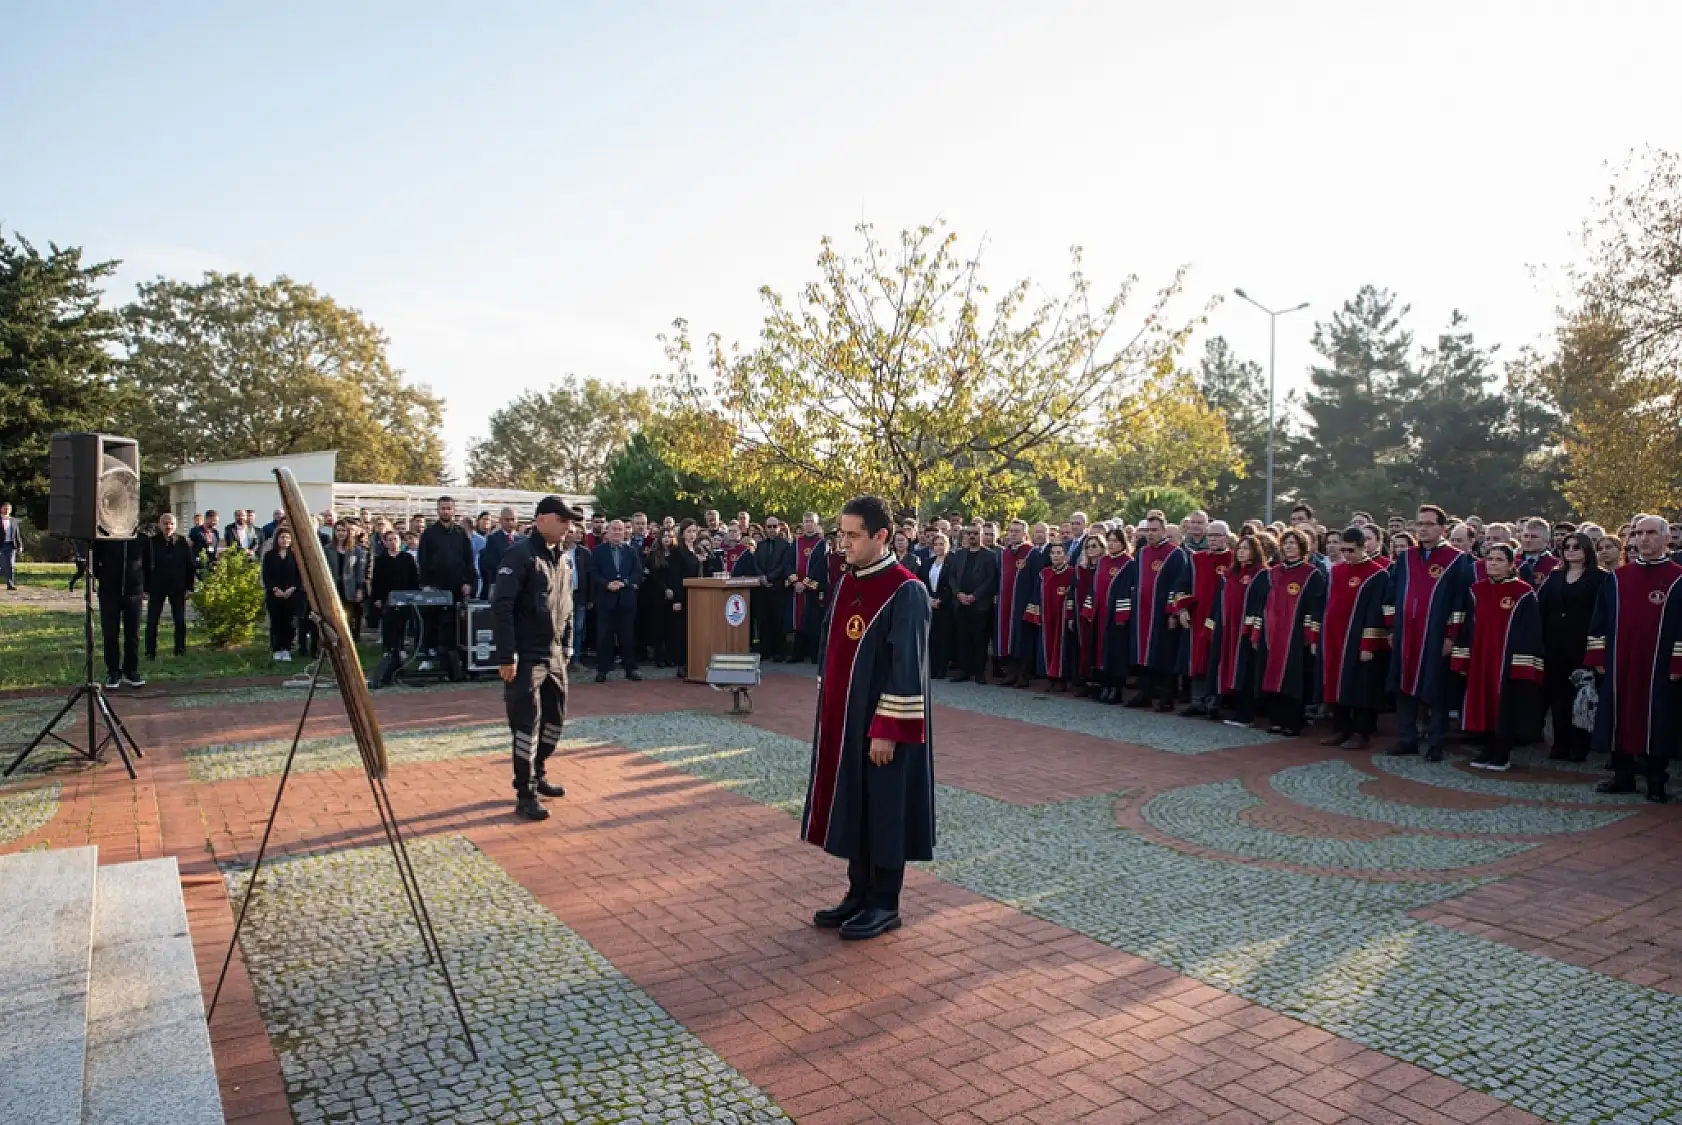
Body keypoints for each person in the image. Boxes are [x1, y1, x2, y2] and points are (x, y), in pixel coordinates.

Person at [803, 494, 934, 941]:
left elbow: (907, 670)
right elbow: (832, 648)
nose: (844, 543)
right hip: (846, 723)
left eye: (853, 535)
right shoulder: (846, 582)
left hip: (882, 729)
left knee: (884, 809)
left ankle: (884, 902)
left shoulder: (905, 589)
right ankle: (858, 894)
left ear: (882, 536)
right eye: (840, 534)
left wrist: (888, 731)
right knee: (855, 806)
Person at [492, 496, 584, 822]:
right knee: (525, 726)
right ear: (543, 519)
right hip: (526, 657)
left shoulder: (563, 558)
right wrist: (506, 654)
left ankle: (539, 772)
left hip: (556, 653)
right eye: (563, 521)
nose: (569, 527)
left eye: (571, 522)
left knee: (555, 721)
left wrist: (568, 644)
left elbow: (567, 604)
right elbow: (501, 606)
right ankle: (525, 792)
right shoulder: (520, 555)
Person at [1584, 515, 1682, 801]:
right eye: (1639, 533)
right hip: (1619, 662)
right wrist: (1597, 654)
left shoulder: (1678, 579)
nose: (1644, 538)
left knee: (1657, 720)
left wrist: (1678, 662)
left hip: (1659, 665)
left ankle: (1656, 780)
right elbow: (1598, 620)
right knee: (1619, 715)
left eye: (1651, 533)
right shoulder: (1616, 578)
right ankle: (1623, 775)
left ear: (1667, 538)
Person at [1385, 505, 1475, 762]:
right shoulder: (1405, 557)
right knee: (1403, 684)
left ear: (1442, 528)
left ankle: (1436, 741)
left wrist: (1451, 635)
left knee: (1436, 687)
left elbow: (1460, 602)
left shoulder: (1457, 560)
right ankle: (1407, 738)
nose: (1422, 528)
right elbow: (1391, 594)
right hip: (1405, 633)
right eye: (1419, 524)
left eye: (1429, 524)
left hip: (1435, 634)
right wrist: (1391, 628)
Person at [1449, 543, 1544, 772]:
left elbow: (1530, 632)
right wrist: (1462, 658)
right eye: (1490, 559)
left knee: (1503, 705)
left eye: (1499, 560)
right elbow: (1465, 628)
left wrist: (1522, 667)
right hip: (1480, 659)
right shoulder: (1476, 590)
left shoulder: (1523, 593)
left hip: (1506, 661)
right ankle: (1487, 747)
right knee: (1480, 702)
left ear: (1512, 565)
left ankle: (1502, 752)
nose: (1492, 563)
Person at [1246, 527, 1326, 736]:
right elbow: (1259, 606)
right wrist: (1255, 633)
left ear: (1302, 548)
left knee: (1293, 679)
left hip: (1295, 636)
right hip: (1269, 634)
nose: (1289, 547)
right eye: (1286, 543)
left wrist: (1311, 636)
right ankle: (1276, 720)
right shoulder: (1271, 573)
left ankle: (1293, 722)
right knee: (1269, 676)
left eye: (1294, 543)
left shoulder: (1312, 574)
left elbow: (1315, 607)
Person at [1319, 526, 1389, 748]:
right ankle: (1340, 728)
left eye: (1350, 550)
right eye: (1343, 550)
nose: (1346, 554)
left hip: (1358, 639)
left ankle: (1361, 732)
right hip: (1334, 638)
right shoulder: (1337, 571)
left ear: (1363, 547)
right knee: (1333, 684)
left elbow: (1375, 613)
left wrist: (1368, 644)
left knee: (1360, 686)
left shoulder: (1377, 574)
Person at [1537, 532, 1604, 762]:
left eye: (1577, 546)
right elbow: (1542, 609)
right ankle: (1560, 743)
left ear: (1587, 550)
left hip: (1583, 646)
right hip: (1555, 646)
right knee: (1558, 698)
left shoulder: (1600, 578)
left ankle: (1580, 746)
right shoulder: (1554, 577)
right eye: (1567, 547)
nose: (1572, 550)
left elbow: (1602, 614)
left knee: (1583, 697)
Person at [1122, 511, 1190, 711]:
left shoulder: (1175, 554)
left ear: (1164, 531)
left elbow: (1179, 586)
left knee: (1164, 655)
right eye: (1147, 530)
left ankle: (1166, 697)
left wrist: (1172, 612)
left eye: (1154, 530)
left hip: (1162, 614)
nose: (1150, 534)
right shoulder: (1141, 553)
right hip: (1141, 613)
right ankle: (1145, 693)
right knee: (1143, 654)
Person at [1173, 519, 1234, 716]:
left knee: (1216, 659)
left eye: (1217, 535)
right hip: (1196, 618)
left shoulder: (1233, 561)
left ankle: (1214, 702)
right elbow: (1181, 587)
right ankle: (1196, 701)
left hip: (1222, 620)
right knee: (1196, 659)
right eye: (1211, 535)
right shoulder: (1195, 559)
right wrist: (1181, 610)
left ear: (1226, 537)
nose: (1213, 539)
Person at [1208, 532, 1270, 724]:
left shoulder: (1262, 575)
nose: (1242, 552)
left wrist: (1253, 632)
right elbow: (1218, 601)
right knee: (1225, 667)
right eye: (1240, 548)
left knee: (1246, 670)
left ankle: (1246, 714)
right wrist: (1211, 626)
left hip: (1246, 631)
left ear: (1255, 552)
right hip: (1227, 630)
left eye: (1246, 549)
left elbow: (1261, 605)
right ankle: (1230, 708)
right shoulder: (1229, 574)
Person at [417, 496, 475, 666]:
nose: (446, 511)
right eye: (443, 508)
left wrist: (467, 582)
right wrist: (426, 584)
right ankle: (429, 656)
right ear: (438, 510)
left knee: (454, 623)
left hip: (457, 586)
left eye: (449, 508)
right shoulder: (429, 533)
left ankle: (452, 658)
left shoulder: (460, 533)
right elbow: (423, 560)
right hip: (435, 586)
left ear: (453, 510)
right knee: (432, 622)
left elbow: (468, 560)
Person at [940, 526, 998, 684]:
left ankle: (979, 672)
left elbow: (990, 579)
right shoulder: (958, 554)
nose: (972, 536)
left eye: (975, 534)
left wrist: (974, 596)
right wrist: (958, 593)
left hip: (980, 604)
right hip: (960, 602)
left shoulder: (990, 555)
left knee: (980, 639)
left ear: (981, 535)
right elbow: (951, 577)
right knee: (962, 638)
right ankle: (964, 670)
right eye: (969, 534)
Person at [591, 519, 644, 682]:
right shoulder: (598, 551)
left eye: (620, 530)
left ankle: (630, 669)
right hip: (606, 599)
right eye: (614, 529)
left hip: (626, 599)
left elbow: (638, 573)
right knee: (604, 636)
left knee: (627, 636)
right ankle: (602, 670)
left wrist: (625, 583)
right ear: (607, 532)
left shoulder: (631, 551)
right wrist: (606, 584)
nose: (617, 532)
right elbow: (593, 573)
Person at [91, 537, 146, 688]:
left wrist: (142, 586)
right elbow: (94, 562)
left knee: (133, 634)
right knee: (110, 634)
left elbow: (149, 564)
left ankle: (131, 671)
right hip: (109, 593)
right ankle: (113, 672)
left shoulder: (142, 539)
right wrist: (105, 577)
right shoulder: (105, 539)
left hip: (134, 593)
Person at [1024, 542, 1078, 692]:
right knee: (1046, 646)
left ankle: (1062, 679)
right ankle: (1051, 678)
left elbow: (1074, 596)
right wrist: (1034, 614)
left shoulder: (1072, 573)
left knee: (1062, 648)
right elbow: (1036, 594)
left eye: (1059, 553)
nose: (1055, 556)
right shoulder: (1044, 574)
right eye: (1053, 553)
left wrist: (1070, 615)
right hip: (1047, 617)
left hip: (1063, 618)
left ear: (1066, 557)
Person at [143, 513, 195, 660]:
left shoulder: (183, 541)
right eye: (165, 523)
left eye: (171, 523)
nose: (168, 526)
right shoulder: (151, 542)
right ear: (159, 525)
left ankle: (180, 650)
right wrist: (144, 589)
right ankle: (150, 652)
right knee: (152, 621)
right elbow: (144, 567)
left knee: (179, 620)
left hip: (178, 586)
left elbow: (190, 565)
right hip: (156, 587)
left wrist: (189, 587)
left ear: (175, 525)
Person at [369, 527, 420, 666]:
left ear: (400, 541)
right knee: (388, 623)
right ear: (385, 542)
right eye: (389, 540)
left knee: (401, 623)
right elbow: (376, 580)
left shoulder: (407, 558)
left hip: (405, 596)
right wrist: (377, 598)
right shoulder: (381, 560)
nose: (392, 542)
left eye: (395, 539)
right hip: (386, 596)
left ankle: (401, 647)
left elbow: (413, 578)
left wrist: (414, 594)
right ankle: (388, 648)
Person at [995, 520, 1035, 686]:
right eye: (1011, 531)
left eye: (1017, 531)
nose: (1013, 534)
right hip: (1005, 603)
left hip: (1022, 603)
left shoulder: (1031, 553)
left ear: (1025, 534)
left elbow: (1036, 581)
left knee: (1022, 638)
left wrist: (1033, 604)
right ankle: (1011, 673)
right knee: (1006, 638)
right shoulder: (1004, 553)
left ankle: (1023, 676)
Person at [664, 521, 705, 677]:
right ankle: (681, 663)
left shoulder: (696, 550)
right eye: (689, 531)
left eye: (694, 531)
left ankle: (694, 661)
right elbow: (675, 577)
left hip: (697, 598)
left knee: (693, 631)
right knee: (681, 631)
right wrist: (677, 600)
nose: (692, 534)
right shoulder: (678, 552)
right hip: (682, 597)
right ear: (682, 534)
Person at [261, 530, 304, 662]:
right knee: (276, 623)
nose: (285, 540)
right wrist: (275, 589)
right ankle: (276, 649)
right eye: (282, 537)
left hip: (291, 595)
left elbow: (299, 576)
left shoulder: (295, 556)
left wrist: (291, 589)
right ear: (277, 539)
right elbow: (266, 575)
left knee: (289, 623)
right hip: (274, 595)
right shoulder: (269, 556)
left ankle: (286, 649)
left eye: (287, 537)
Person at [756, 516, 795, 661]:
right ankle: (766, 651)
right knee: (764, 620)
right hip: (762, 588)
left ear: (779, 528)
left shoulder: (785, 545)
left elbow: (784, 565)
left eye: (774, 526)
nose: (772, 529)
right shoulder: (760, 545)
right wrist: (762, 577)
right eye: (769, 527)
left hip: (778, 587)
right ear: (765, 528)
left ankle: (779, 652)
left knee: (778, 621)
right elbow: (756, 563)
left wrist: (770, 577)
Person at [792, 512, 829, 663]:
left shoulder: (822, 544)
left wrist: (805, 584)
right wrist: (795, 582)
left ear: (816, 524)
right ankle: (797, 654)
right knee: (797, 620)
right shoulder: (796, 543)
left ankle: (814, 655)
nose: (808, 524)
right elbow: (788, 563)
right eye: (806, 521)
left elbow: (820, 567)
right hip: (796, 589)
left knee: (812, 621)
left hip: (813, 589)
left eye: (811, 522)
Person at [919, 531, 954, 678]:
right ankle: (932, 668)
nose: (939, 547)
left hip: (944, 605)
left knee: (943, 638)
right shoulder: (927, 562)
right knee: (931, 637)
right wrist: (929, 599)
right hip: (929, 603)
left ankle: (941, 669)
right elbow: (922, 581)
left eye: (942, 544)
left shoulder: (951, 563)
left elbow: (951, 584)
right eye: (936, 544)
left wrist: (940, 600)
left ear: (947, 546)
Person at [329, 521, 369, 638]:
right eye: (338, 530)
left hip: (349, 588)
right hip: (333, 587)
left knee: (348, 616)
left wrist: (359, 589)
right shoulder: (327, 549)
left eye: (344, 530)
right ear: (334, 532)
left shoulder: (356, 550)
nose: (341, 533)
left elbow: (359, 572)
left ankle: (348, 641)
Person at [0, 501, 21, 590]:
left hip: (10, 545)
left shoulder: (13, 521)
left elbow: (17, 534)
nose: (6, 510)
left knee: (10, 565)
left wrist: (20, 545)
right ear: (1, 509)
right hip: (0, 545)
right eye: (5, 508)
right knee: (2, 565)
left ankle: (10, 584)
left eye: (8, 509)